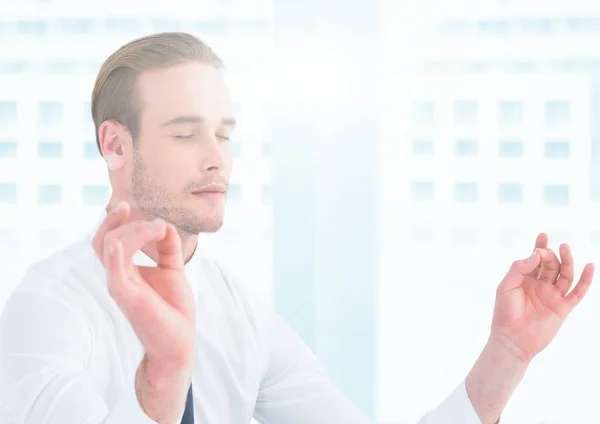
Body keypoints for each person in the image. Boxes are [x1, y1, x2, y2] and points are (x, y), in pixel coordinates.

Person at [0, 32, 594, 424]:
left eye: (224, 134)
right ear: (115, 144)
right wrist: (163, 376)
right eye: (185, 132)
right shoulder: (47, 309)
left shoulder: (237, 307)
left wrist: (507, 354)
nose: (217, 158)